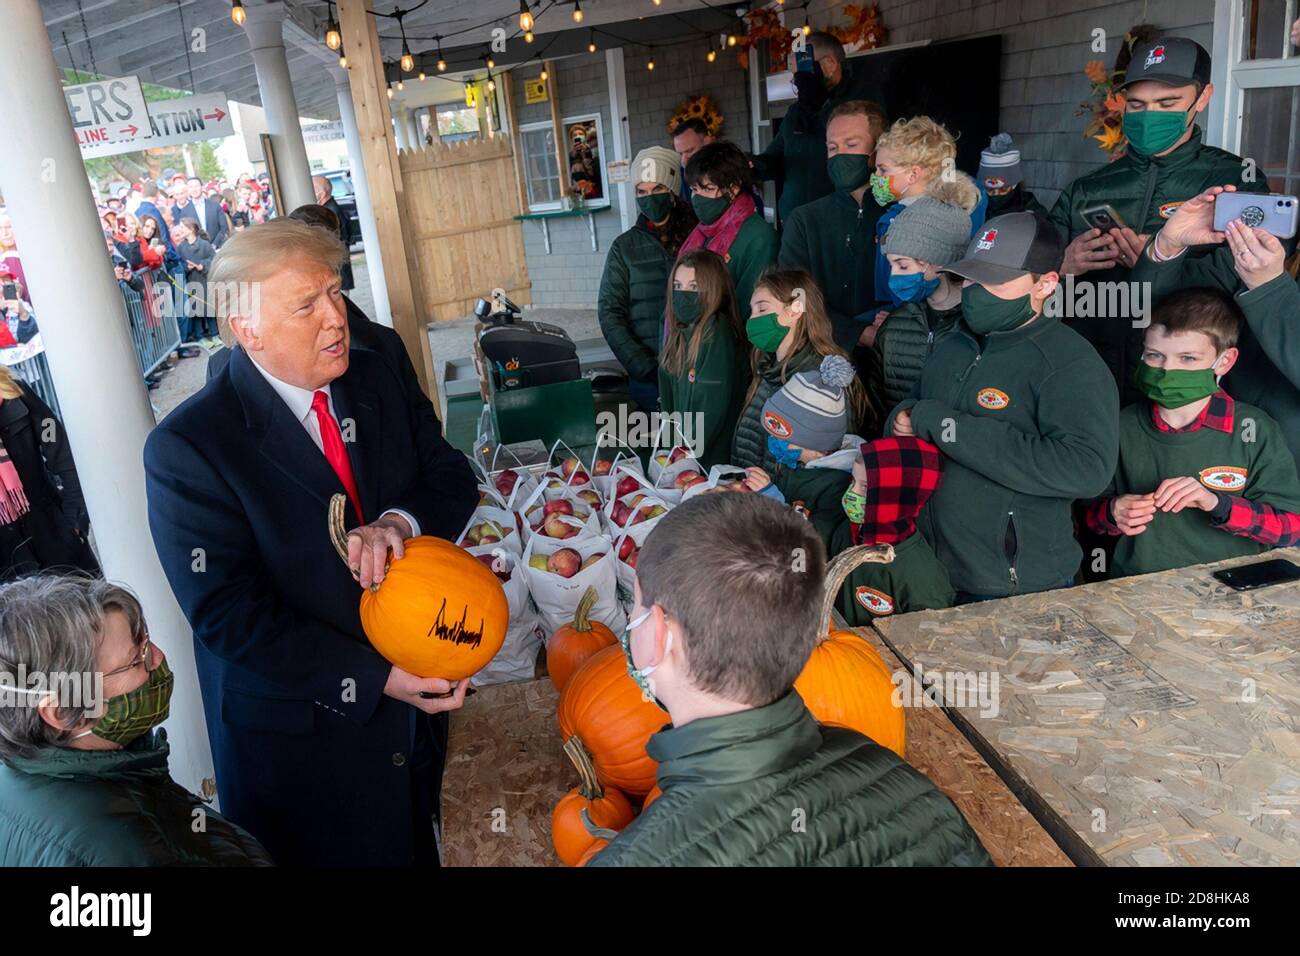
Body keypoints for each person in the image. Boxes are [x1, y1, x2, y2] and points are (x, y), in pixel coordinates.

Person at [143, 219, 479, 867]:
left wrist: (400, 523)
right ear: (248, 329)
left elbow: (449, 476)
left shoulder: (375, 377)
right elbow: (228, 617)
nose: (337, 317)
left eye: (335, 291)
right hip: (304, 751)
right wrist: (377, 678)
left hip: (414, 721)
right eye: (307, 305)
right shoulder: (189, 449)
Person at [587, 492, 991, 867]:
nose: (629, 624)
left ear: (660, 633)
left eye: (635, 608)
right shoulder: (905, 783)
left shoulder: (637, 858)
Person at [886, 212, 1118, 602]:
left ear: (1045, 284)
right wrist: (900, 419)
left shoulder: (1069, 363)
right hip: (928, 568)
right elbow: (912, 403)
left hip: (1014, 585)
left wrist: (942, 424)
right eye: (972, 278)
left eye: (996, 280)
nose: (978, 290)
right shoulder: (953, 341)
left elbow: (1086, 470)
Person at [1048, 35, 1270, 398]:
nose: (1150, 115)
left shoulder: (1234, 182)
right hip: (1086, 378)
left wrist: (1157, 262)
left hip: (1183, 389)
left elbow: (1240, 276)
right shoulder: (1086, 189)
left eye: (1167, 103)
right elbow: (1030, 280)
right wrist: (1064, 264)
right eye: (1137, 104)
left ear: (1204, 96)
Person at [0, 575, 271, 866]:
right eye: (135, 658)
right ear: (61, 712)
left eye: (145, 640)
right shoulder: (116, 851)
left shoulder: (27, 776)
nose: (157, 657)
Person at [1084, 289, 1300, 578]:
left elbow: (1290, 527)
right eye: (1154, 355)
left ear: (1224, 361)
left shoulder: (1255, 429)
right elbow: (1086, 516)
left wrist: (1216, 503)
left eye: (1187, 358)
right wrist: (1113, 512)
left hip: (1230, 586)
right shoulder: (1120, 425)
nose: (1167, 369)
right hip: (1136, 584)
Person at [1131, 183, 1300, 464]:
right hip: (1214, 451)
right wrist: (1169, 244)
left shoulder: (1263, 266)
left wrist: (1269, 287)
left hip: (1288, 473)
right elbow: (1154, 312)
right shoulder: (1263, 247)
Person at [779, 100, 890, 358]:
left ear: (878, 149)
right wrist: (857, 332)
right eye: (832, 147)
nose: (840, 155)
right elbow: (792, 295)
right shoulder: (804, 220)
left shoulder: (901, 214)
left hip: (893, 356)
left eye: (852, 145)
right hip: (822, 358)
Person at [732, 269, 867, 470]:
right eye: (751, 311)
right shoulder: (765, 368)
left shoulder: (825, 383)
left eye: (762, 310)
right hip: (748, 494)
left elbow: (828, 465)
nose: (752, 319)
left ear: (795, 309)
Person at [597, 146, 697, 410]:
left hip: (697, 369)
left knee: (696, 442)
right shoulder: (624, 247)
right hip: (648, 378)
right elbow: (610, 312)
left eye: (657, 190)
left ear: (673, 192)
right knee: (659, 447)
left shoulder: (697, 236)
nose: (649, 198)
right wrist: (641, 365)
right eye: (642, 192)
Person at [871, 117, 988, 319]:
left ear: (913, 174)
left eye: (883, 169)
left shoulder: (897, 222)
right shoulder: (965, 208)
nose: (875, 176)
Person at [874, 183, 977, 409]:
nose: (893, 276)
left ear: (939, 261)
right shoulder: (894, 324)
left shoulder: (979, 327)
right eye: (890, 265)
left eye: (902, 266)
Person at [744, 353, 863, 550]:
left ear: (819, 448)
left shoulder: (837, 487)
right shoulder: (798, 464)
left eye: (786, 440)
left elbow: (812, 545)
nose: (776, 443)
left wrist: (772, 502)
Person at [832, 437, 954, 623]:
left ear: (893, 496)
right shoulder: (848, 534)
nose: (851, 494)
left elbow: (928, 641)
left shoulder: (920, 577)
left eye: (864, 487)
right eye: (852, 481)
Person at [0, 366, 97, 580]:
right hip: (7, 565)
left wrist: (75, 517)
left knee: (91, 608)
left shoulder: (14, 390)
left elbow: (57, 444)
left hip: (54, 534)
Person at [658, 250, 747, 470]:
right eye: (677, 286)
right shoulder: (681, 333)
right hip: (682, 459)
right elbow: (669, 404)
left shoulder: (716, 332)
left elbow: (710, 411)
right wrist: (669, 454)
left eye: (694, 287)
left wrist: (683, 461)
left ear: (714, 290)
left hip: (707, 465)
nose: (683, 294)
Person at [682, 142, 778, 328]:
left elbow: (747, 308)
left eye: (708, 189)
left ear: (733, 188)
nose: (698, 198)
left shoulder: (759, 238)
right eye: (695, 190)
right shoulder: (702, 231)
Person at [750, 69, 835, 226]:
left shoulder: (847, 105)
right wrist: (754, 164)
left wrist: (821, 109)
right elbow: (775, 157)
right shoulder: (795, 112)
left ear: (830, 64)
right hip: (793, 216)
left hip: (831, 216)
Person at [977, 134, 1047, 217]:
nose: (996, 195)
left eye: (1003, 190)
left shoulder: (1029, 207)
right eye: (990, 190)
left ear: (1013, 185)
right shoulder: (975, 206)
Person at [173, 218, 218, 345]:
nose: (180, 229)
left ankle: (215, 334)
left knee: (209, 308)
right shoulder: (181, 248)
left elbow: (213, 258)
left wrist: (202, 266)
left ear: (191, 229)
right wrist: (186, 267)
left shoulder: (204, 244)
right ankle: (200, 337)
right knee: (196, 311)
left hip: (204, 279)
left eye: (182, 227)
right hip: (191, 281)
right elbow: (180, 263)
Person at [313, 175, 355, 291]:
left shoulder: (329, 213)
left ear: (322, 193)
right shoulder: (329, 210)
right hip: (337, 275)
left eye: (312, 188)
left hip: (336, 275)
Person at [173, 176, 229, 249]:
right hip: (198, 250)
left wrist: (215, 244)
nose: (194, 189)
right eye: (191, 187)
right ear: (188, 190)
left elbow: (223, 227)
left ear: (202, 187)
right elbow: (185, 233)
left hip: (218, 247)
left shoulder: (215, 206)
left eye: (196, 186)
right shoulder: (185, 211)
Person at [671, 118, 715, 203]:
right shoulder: (678, 179)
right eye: (680, 154)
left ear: (707, 142)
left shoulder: (728, 169)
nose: (684, 160)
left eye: (689, 151)